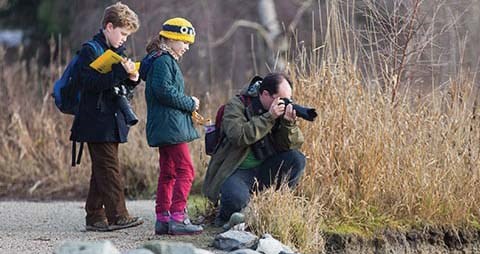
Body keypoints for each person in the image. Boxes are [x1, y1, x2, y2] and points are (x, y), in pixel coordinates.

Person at [70, 1, 143, 232]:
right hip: (95, 121)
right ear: (109, 27)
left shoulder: (118, 53)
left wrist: (132, 80)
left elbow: (119, 89)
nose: (124, 39)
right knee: (109, 168)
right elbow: (89, 83)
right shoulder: (90, 50)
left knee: (101, 168)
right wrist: (121, 71)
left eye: (127, 35)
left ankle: (94, 215)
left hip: (110, 121)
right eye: (122, 33)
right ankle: (118, 216)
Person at [202, 72, 306, 227]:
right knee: (236, 200)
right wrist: (269, 117)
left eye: (288, 99)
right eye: (282, 99)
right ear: (265, 94)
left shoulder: (278, 110)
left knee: (297, 159)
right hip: (237, 170)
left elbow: (293, 145)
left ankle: (269, 208)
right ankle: (224, 217)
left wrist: (288, 125)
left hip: (264, 168)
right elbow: (239, 136)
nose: (285, 103)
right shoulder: (237, 105)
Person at [140, 17, 203, 235]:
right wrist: (190, 103)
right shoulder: (164, 61)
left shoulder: (161, 59)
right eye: (184, 42)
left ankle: (163, 218)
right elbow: (163, 90)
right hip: (171, 128)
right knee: (186, 170)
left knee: (169, 171)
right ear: (172, 39)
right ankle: (178, 217)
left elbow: (162, 90)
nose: (186, 47)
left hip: (165, 126)